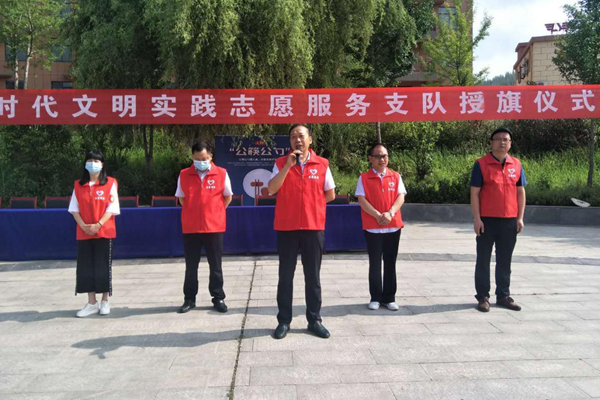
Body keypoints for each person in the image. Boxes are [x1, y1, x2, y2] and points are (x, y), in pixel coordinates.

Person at [267, 124, 336, 339]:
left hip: (313, 228)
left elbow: (330, 194)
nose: (297, 140)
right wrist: (288, 166)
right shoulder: (280, 163)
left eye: (301, 136)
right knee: (285, 277)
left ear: (310, 140)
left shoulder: (322, 164)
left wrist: (312, 208)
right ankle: (284, 321)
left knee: (313, 277)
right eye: (293, 137)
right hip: (287, 227)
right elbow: (271, 188)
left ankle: (314, 320)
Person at [471, 127, 527, 313]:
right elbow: (475, 193)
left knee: (505, 260)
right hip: (487, 220)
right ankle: (483, 297)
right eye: (498, 139)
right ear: (491, 143)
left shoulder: (516, 164)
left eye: (506, 139)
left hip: (509, 220)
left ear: (510, 144)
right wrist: (477, 218)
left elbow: (520, 192)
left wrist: (520, 217)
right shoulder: (481, 164)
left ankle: (503, 295)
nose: (502, 142)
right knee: (483, 259)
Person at [175, 140, 232, 314]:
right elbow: (181, 198)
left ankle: (218, 297)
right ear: (192, 157)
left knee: (215, 265)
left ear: (211, 156)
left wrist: (215, 212)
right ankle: (189, 299)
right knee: (191, 266)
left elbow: (228, 197)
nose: (202, 161)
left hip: (214, 227)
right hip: (191, 228)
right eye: (198, 159)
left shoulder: (221, 173)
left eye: (205, 158)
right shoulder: (184, 174)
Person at [68, 150, 120, 317]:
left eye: (96, 161)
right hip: (84, 232)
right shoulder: (79, 185)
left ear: (102, 164)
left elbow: (112, 208)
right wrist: (84, 226)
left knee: (103, 266)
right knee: (86, 268)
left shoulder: (110, 183)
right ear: (85, 164)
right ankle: (91, 303)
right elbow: (74, 209)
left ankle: (105, 301)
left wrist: (98, 225)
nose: (93, 164)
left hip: (104, 231)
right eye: (90, 161)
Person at [356, 143, 406, 311]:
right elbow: (361, 199)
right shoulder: (364, 177)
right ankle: (376, 297)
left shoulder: (395, 176)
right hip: (373, 227)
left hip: (393, 226)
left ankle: (389, 297)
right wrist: (378, 215)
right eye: (377, 156)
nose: (382, 159)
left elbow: (401, 196)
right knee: (375, 263)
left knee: (390, 262)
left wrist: (390, 213)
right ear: (370, 158)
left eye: (384, 156)